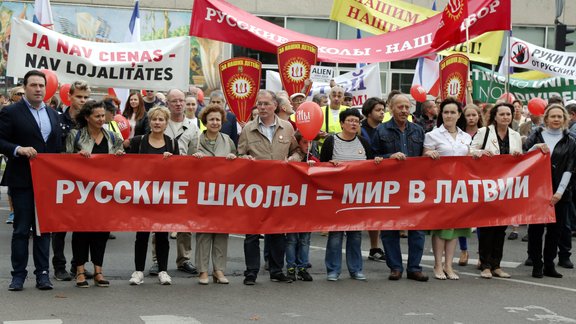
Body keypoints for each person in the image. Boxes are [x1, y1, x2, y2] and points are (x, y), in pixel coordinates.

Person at [0, 70, 62, 291]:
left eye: (41, 85)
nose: (38, 89)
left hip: (47, 183)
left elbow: (59, 149)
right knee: (21, 230)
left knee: (44, 229)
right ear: (25, 87)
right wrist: (18, 149)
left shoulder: (54, 115)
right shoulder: (11, 112)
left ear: (47, 88)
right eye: (33, 85)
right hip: (22, 179)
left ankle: (43, 274)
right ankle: (18, 275)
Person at [238, 90, 302, 285]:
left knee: (277, 232)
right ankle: (251, 272)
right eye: (260, 104)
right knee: (252, 233)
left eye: (266, 104)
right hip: (255, 189)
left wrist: (295, 158)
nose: (263, 107)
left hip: (279, 188)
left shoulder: (288, 128)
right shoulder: (248, 129)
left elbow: (297, 150)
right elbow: (239, 154)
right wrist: (244, 158)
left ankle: (276, 270)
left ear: (276, 105)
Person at [65, 100, 124, 287]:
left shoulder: (114, 137)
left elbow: (121, 164)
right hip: (81, 192)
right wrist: (76, 157)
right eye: (97, 116)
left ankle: (99, 270)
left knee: (101, 231)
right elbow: (62, 160)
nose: (101, 119)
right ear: (87, 117)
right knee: (81, 231)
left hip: (104, 193)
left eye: (103, 115)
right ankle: (80, 271)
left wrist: (120, 156)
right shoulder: (75, 135)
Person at [371, 93, 429, 282]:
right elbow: (373, 159)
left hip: (415, 187)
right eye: (400, 107)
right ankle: (395, 267)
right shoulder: (381, 131)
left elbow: (423, 155)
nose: (404, 111)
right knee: (389, 229)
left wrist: (430, 155)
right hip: (391, 188)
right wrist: (389, 157)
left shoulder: (418, 130)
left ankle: (414, 268)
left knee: (417, 229)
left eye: (407, 107)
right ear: (391, 108)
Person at [149, 88, 200, 277]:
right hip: (162, 179)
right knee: (158, 222)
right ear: (168, 104)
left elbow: (195, 151)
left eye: (181, 101)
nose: (179, 104)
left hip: (183, 178)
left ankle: (184, 259)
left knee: (184, 221)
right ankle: (157, 260)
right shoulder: (160, 122)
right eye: (174, 101)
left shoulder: (193, 127)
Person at [470, 102, 523, 279]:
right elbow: (469, 150)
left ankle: (497, 265)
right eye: (502, 114)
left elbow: (521, 159)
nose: (506, 117)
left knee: (501, 228)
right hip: (487, 185)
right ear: (495, 116)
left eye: (508, 114)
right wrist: (479, 153)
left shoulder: (515, 135)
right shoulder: (484, 132)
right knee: (487, 226)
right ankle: (485, 264)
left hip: (506, 187)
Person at [127, 106, 178, 286]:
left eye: (161, 119)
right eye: (154, 119)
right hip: (142, 195)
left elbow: (180, 170)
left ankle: (163, 270)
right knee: (142, 234)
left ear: (166, 123)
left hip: (163, 196)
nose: (157, 122)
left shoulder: (172, 143)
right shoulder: (138, 142)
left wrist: (171, 160)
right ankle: (138, 271)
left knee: (162, 235)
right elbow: (125, 166)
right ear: (149, 122)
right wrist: (119, 154)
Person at [524, 104, 576, 278]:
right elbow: (523, 158)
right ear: (546, 118)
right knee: (536, 229)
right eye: (552, 116)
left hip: (560, 192)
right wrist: (535, 148)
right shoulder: (536, 135)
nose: (556, 119)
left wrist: (559, 192)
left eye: (559, 117)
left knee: (556, 230)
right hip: (536, 190)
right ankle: (536, 264)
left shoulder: (570, 140)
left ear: (565, 119)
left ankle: (549, 264)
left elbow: (570, 168)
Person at [321, 109, 373, 281]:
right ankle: (333, 270)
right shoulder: (331, 141)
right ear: (342, 123)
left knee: (355, 235)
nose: (353, 124)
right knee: (336, 235)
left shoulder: (364, 143)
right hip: (336, 196)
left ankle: (355, 269)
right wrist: (330, 164)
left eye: (356, 121)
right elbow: (321, 167)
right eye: (350, 120)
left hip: (358, 197)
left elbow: (372, 166)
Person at [422, 98, 471, 280]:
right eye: (446, 112)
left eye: (452, 112)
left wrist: (479, 153)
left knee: (455, 228)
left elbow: (469, 157)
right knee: (441, 227)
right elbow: (422, 158)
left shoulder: (466, 137)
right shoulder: (432, 135)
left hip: (459, 187)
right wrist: (428, 154)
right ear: (441, 114)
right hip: (440, 186)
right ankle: (437, 265)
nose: (449, 115)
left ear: (459, 115)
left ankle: (449, 266)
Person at [191, 104, 237, 285]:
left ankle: (219, 270)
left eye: (218, 119)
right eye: (211, 119)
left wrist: (234, 159)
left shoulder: (228, 141)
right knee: (203, 233)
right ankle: (202, 271)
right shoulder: (195, 141)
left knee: (221, 232)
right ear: (205, 121)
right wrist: (194, 160)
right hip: (202, 195)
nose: (215, 122)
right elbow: (184, 168)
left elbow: (238, 165)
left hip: (223, 195)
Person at [53, 80, 92, 281]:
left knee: (82, 225)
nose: (83, 100)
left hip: (84, 181)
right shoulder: (57, 118)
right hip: (60, 179)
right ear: (69, 96)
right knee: (59, 226)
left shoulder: (90, 121)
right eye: (79, 96)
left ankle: (78, 265)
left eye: (86, 97)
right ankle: (59, 266)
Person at [360, 97, 387, 263]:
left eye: (383, 110)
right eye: (378, 110)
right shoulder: (359, 128)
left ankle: (375, 247)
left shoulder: (385, 129)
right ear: (368, 112)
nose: (382, 113)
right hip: (362, 175)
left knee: (378, 212)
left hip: (381, 175)